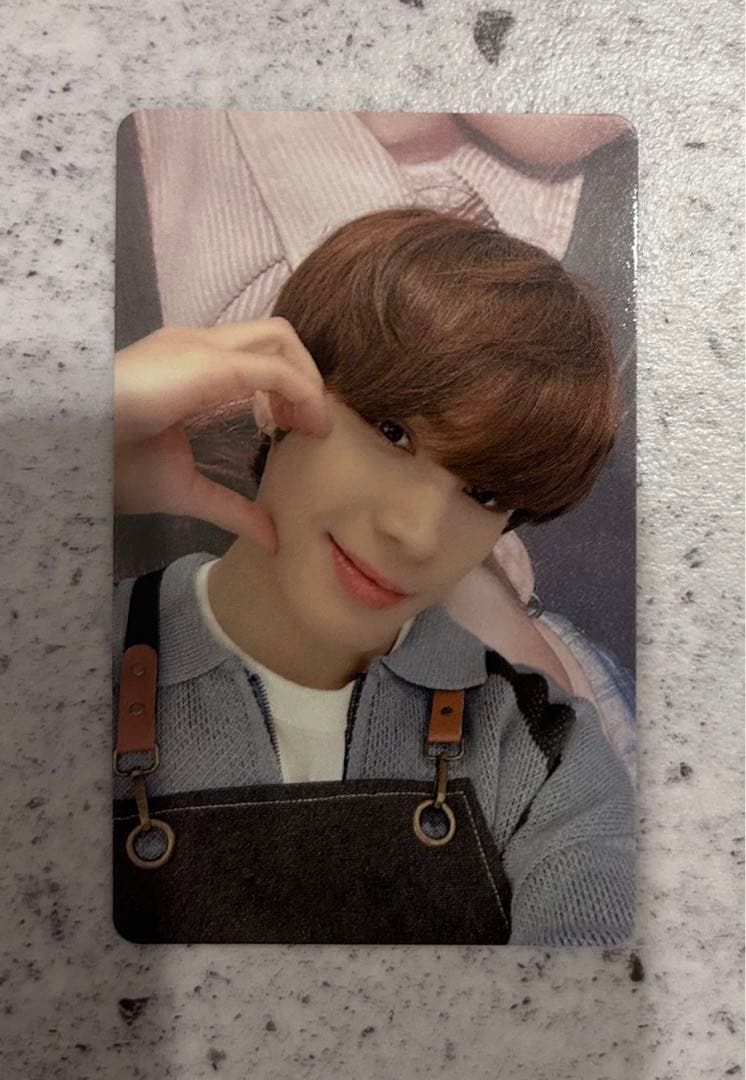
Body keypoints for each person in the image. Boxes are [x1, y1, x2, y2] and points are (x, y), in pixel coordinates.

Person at [112, 207, 634, 946]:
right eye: (393, 432)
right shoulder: (62, 657)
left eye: (484, 495)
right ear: (275, 395)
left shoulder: (544, 754)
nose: (417, 534)